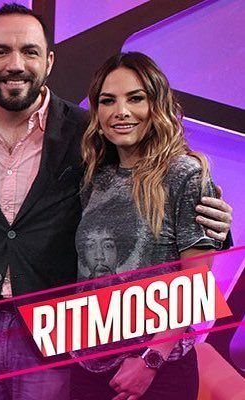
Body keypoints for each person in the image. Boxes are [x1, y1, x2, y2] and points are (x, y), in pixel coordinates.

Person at [0, 4, 233, 400]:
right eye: (1, 51)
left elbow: (162, 203)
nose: (16, 64)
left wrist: (215, 225)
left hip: (52, 332)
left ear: (49, 61)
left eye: (29, 51)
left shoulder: (86, 134)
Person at [70, 51, 219, 400]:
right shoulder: (95, 177)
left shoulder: (185, 174)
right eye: (108, 100)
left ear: (156, 105)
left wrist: (151, 360)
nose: (121, 111)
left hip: (156, 371)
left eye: (135, 98)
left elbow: (194, 285)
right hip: (88, 367)